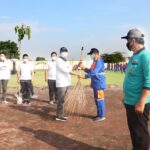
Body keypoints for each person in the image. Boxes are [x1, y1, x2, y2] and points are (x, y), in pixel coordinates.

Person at [121, 28, 150, 150]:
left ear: (133, 40)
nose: (126, 43)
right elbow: (131, 77)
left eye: (127, 40)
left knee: (140, 134)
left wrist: (141, 101)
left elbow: (149, 81)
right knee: (134, 131)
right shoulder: (134, 56)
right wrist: (126, 97)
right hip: (130, 101)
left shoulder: (145, 56)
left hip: (139, 103)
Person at [79, 48, 106, 121]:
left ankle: (101, 116)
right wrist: (83, 67)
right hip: (95, 83)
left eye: (91, 54)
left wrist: (85, 76)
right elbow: (90, 71)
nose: (90, 56)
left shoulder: (99, 61)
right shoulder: (95, 61)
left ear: (95, 54)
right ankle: (99, 114)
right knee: (97, 99)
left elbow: (94, 72)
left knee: (100, 99)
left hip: (99, 83)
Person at [56, 47, 72, 121]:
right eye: (63, 51)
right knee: (60, 100)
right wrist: (71, 70)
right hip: (61, 83)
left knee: (62, 100)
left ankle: (61, 114)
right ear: (60, 52)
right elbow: (65, 70)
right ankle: (59, 116)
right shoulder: (59, 61)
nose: (64, 52)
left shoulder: (66, 61)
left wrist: (75, 67)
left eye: (65, 51)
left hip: (66, 83)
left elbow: (70, 69)